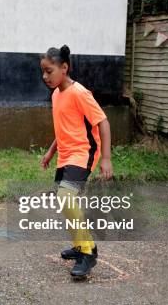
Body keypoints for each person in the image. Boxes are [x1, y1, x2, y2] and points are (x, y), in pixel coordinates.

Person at [39, 45, 113, 277]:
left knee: (65, 197)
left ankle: (88, 253)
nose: (45, 76)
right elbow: (63, 129)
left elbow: (103, 122)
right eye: (43, 71)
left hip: (83, 153)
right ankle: (80, 245)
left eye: (49, 71)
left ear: (64, 67)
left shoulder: (79, 93)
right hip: (66, 155)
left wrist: (107, 158)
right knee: (66, 203)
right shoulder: (56, 94)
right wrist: (51, 152)